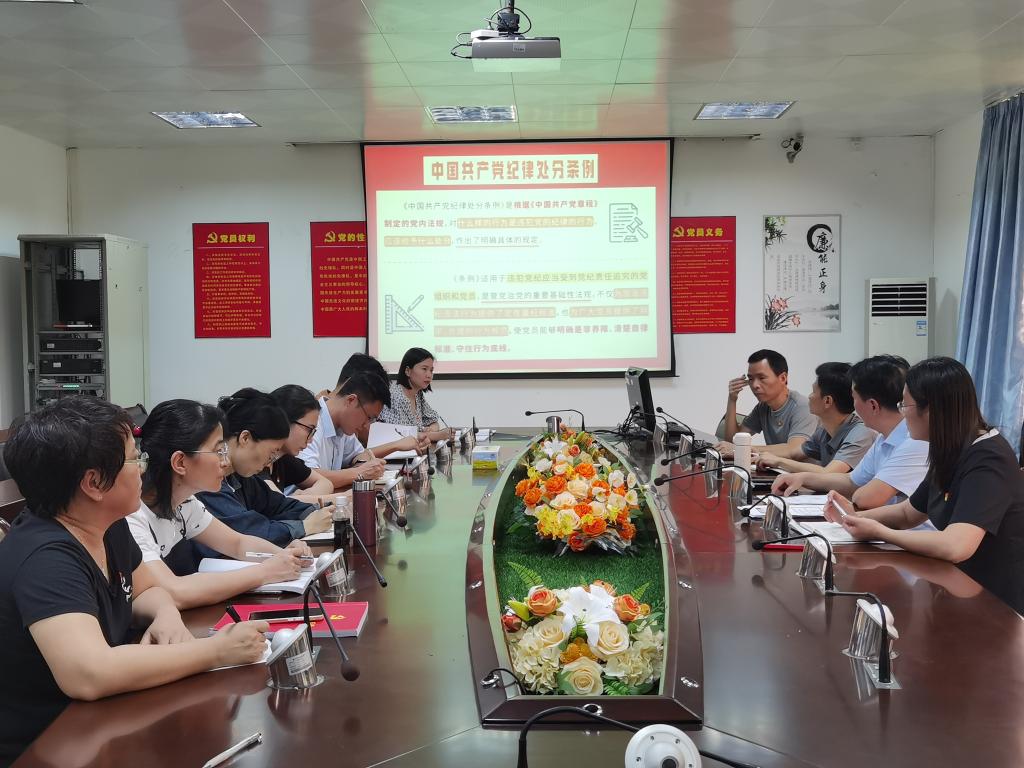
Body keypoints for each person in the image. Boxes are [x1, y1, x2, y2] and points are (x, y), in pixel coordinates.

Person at [0, 397, 268, 763]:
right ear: (94, 482)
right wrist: (217, 651)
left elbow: (149, 588)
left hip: (106, 721)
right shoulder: (45, 558)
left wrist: (165, 614)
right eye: (133, 457)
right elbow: (89, 673)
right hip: (50, 746)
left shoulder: (107, 526)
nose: (144, 466)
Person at [824, 357, 1024, 614]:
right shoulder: (950, 448)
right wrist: (852, 516)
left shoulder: (987, 458)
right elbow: (909, 512)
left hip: (994, 602)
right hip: (954, 588)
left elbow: (956, 546)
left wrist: (880, 531)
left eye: (905, 405)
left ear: (931, 410)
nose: (902, 413)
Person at [127, 399, 311, 609]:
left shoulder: (185, 503)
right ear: (180, 462)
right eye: (218, 451)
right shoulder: (132, 518)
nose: (225, 462)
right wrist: (266, 572)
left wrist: (284, 555)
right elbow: (174, 591)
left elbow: (237, 544)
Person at [773, 355, 930, 508]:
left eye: (854, 398)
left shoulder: (914, 442)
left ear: (873, 405)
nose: (853, 406)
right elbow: (852, 481)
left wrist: (856, 494)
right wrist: (803, 478)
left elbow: (865, 499)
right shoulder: (883, 438)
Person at [196, 389, 331, 551]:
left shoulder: (241, 477)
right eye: (272, 452)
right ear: (245, 438)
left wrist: (316, 512)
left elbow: (277, 505)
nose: (271, 460)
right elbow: (250, 531)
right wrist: (306, 526)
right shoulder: (208, 482)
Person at [299, 369, 420, 489]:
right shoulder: (311, 422)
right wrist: (358, 473)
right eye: (369, 417)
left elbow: (358, 456)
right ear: (351, 400)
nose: (367, 425)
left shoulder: (344, 426)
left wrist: (369, 465)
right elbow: (306, 477)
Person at [756, 362, 876, 474]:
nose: (809, 396)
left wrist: (779, 461)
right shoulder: (824, 431)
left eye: (813, 391)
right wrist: (759, 456)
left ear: (827, 401)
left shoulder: (861, 434)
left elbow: (828, 473)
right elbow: (794, 454)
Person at [715, 349, 818, 458]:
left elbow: (794, 449)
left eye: (762, 378)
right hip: (775, 467)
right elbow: (733, 440)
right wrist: (732, 399)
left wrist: (743, 448)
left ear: (783, 378)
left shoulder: (803, 407)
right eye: (751, 379)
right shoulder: (763, 407)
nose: (755, 385)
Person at [265, 385, 334, 504]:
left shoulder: (283, 457)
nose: (310, 440)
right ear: (284, 420)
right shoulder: (257, 461)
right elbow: (279, 504)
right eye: (309, 429)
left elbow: (326, 483)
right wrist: (345, 497)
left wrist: (306, 495)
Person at [378, 347, 454, 443]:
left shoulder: (418, 394)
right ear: (408, 371)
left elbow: (433, 421)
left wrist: (431, 429)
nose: (429, 375)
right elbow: (399, 435)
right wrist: (436, 435)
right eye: (424, 369)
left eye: (431, 370)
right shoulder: (395, 396)